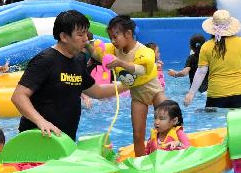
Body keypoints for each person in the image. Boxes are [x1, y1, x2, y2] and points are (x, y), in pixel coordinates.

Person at [11, 10, 124, 140]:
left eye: (86, 33)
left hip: (64, 139)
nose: (86, 39)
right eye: (80, 35)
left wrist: (129, 84)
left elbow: (97, 92)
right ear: (64, 37)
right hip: (38, 137)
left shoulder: (79, 59)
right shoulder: (45, 60)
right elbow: (18, 96)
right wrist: (41, 121)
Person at [91, 15, 165, 156]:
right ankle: (139, 162)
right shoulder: (114, 49)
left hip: (154, 90)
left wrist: (120, 63)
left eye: (115, 37)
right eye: (110, 37)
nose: (112, 41)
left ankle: (177, 148)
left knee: (169, 122)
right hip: (137, 95)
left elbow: (141, 70)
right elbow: (97, 54)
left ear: (129, 34)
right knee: (137, 134)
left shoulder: (143, 51)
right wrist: (88, 45)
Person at [184, 10, 241, 109]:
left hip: (217, 94)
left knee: (215, 123)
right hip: (240, 93)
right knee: (238, 123)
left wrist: (191, 93)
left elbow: (201, 72)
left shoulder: (206, 47)